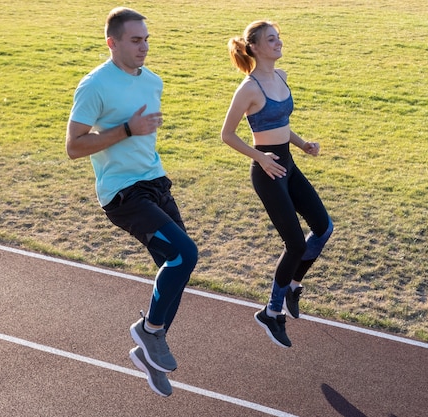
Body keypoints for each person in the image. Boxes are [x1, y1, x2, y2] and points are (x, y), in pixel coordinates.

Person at [66, 7, 198, 397]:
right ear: (113, 43)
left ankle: (149, 355)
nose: (144, 47)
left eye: (146, 39)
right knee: (184, 255)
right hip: (123, 194)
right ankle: (148, 332)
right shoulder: (95, 85)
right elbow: (74, 147)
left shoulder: (153, 81)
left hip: (155, 182)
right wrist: (127, 129)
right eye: (135, 40)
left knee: (174, 273)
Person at [221, 21, 333, 348]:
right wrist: (260, 157)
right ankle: (271, 312)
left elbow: (282, 123)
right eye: (271, 39)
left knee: (323, 228)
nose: (278, 42)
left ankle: (294, 286)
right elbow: (227, 135)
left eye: (279, 37)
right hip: (268, 173)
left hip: (289, 163)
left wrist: (302, 145)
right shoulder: (249, 89)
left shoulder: (280, 76)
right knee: (296, 244)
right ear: (254, 47)